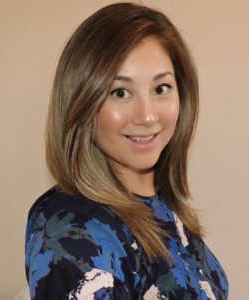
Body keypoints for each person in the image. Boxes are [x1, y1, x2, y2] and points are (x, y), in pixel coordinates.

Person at [25, 2, 229, 299]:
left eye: (161, 89)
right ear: (81, 104)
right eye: (120, 93)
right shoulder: (74, 233)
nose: (147, 116)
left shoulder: (162, 206)